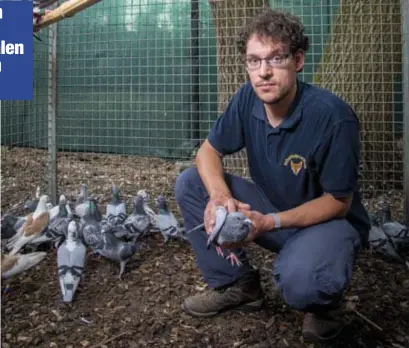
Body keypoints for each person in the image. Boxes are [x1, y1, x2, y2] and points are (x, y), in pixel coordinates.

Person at [174, 8, 370, 343]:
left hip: (328, 224)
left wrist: (270, 223)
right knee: (191, 183)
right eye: (254, 60)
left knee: (301, 283)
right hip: (272, 209)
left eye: (276, 59)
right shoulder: (247, 98)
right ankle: (238, 285)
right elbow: (208, 151)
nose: (263, 72)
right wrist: (220, 196)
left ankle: (322, 306)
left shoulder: (333, 117)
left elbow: (339, 203)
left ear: (298, 60)